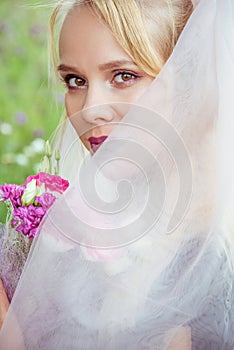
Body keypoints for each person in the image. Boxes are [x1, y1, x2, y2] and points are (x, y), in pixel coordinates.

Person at [0, 0, 234, 349]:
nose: (91, 108)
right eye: (75, 80)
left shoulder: (210, 271)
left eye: (124, 76)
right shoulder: (61, 238)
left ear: (191, 81)